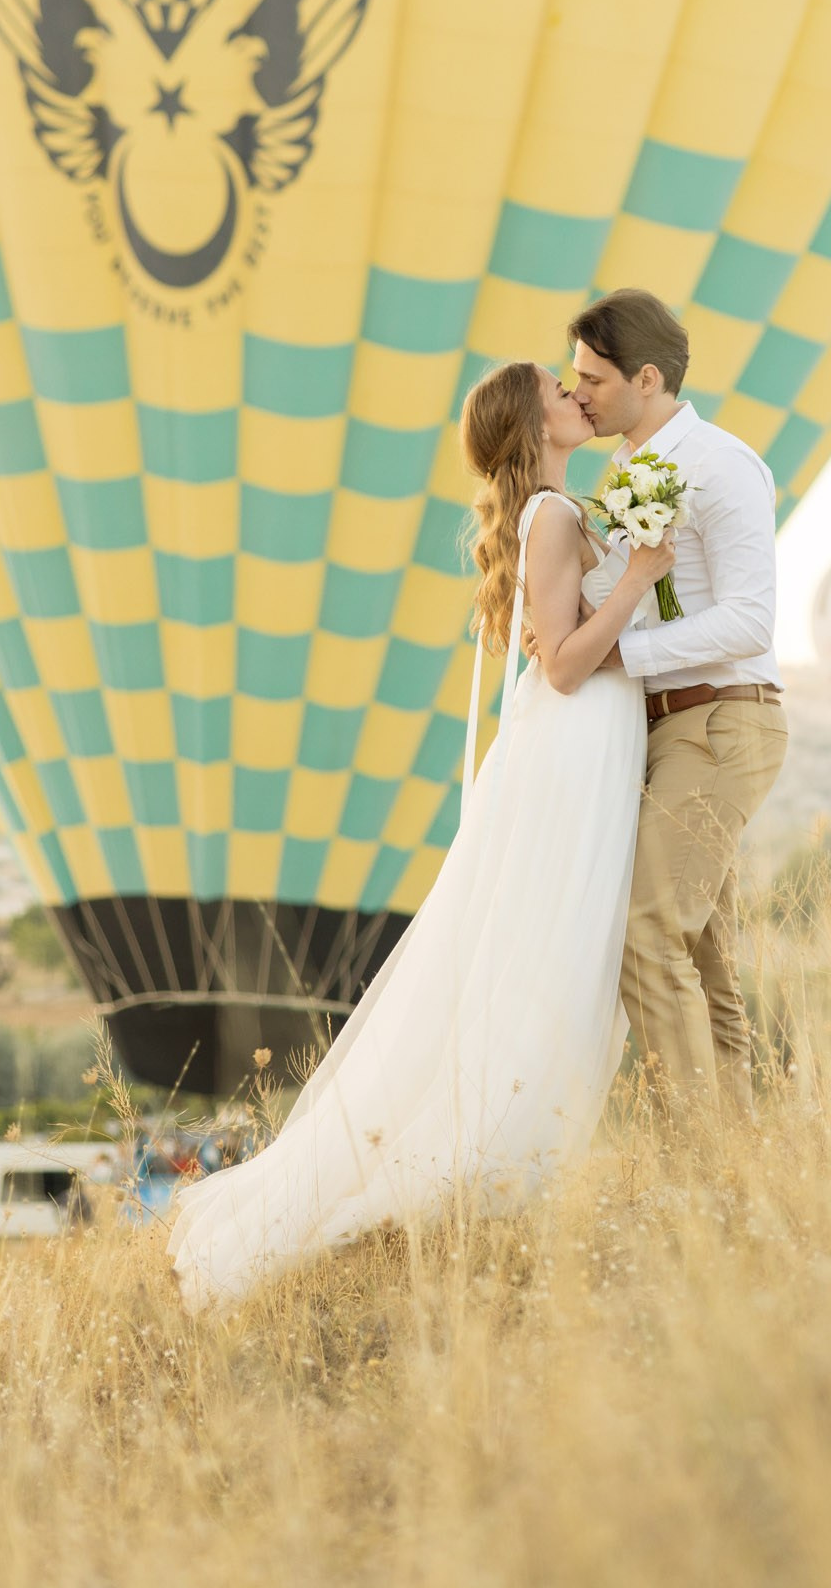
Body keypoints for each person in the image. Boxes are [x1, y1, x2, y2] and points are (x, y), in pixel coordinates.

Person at [166, 358, 673, 1311]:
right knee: (552, 948)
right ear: (531, 424)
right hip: (574, 739)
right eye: (557, 390)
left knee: (548, 949)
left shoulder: (558, 512)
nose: (576, 395)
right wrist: (639, 577)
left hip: (583, 743)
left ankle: (496, 1156)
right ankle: (480, 1163)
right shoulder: (551, 516)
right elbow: (565, 666)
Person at [568, 288, 787, 1125]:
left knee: (646, 934)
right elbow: (631, 596)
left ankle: (698, 1156)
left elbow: (750, 620)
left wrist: (621, 656)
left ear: (647, 378)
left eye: (593, 379)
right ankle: (740, 1162)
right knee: (704, 958)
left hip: (723, 720)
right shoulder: (627, 473)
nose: (578, 392)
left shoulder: (720, 465)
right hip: (663, 730)